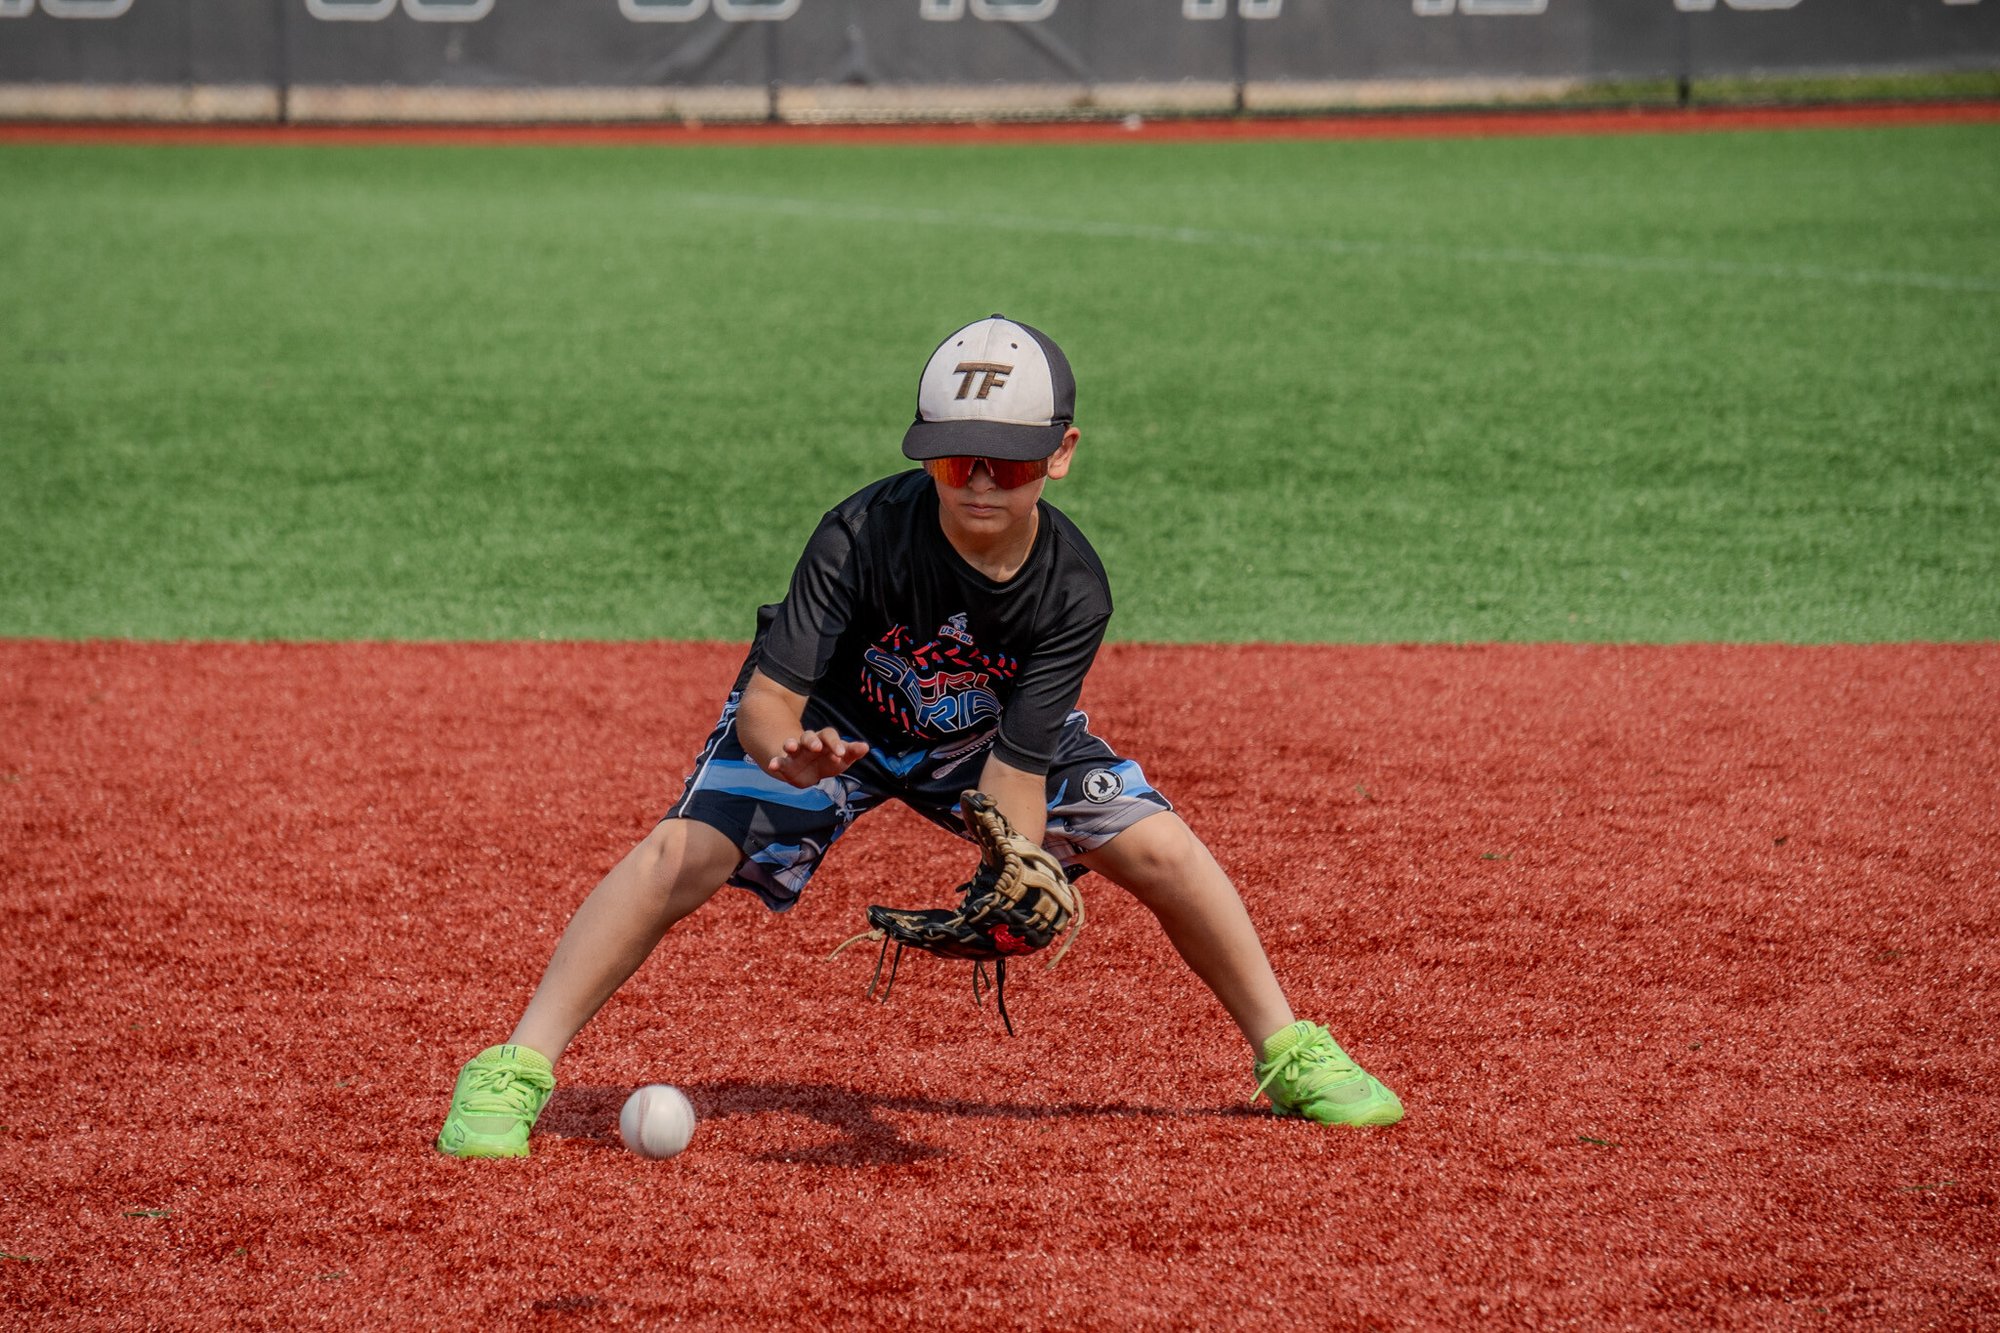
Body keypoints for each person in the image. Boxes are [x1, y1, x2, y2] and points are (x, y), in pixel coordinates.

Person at [435, 315, 1402, 1158]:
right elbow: (771, 703)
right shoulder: (858, 535)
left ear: (1061, 454)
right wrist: (787, 756)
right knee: (682, 853)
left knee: (1161, 846)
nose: (980, 481)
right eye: (954, 458)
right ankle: (515, 1065)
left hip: (974, 740)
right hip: (835, 723)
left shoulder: (1074, 590)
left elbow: (1020, 763)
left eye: (1010, 460)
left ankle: (1287, 1050)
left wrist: (1013, 864)